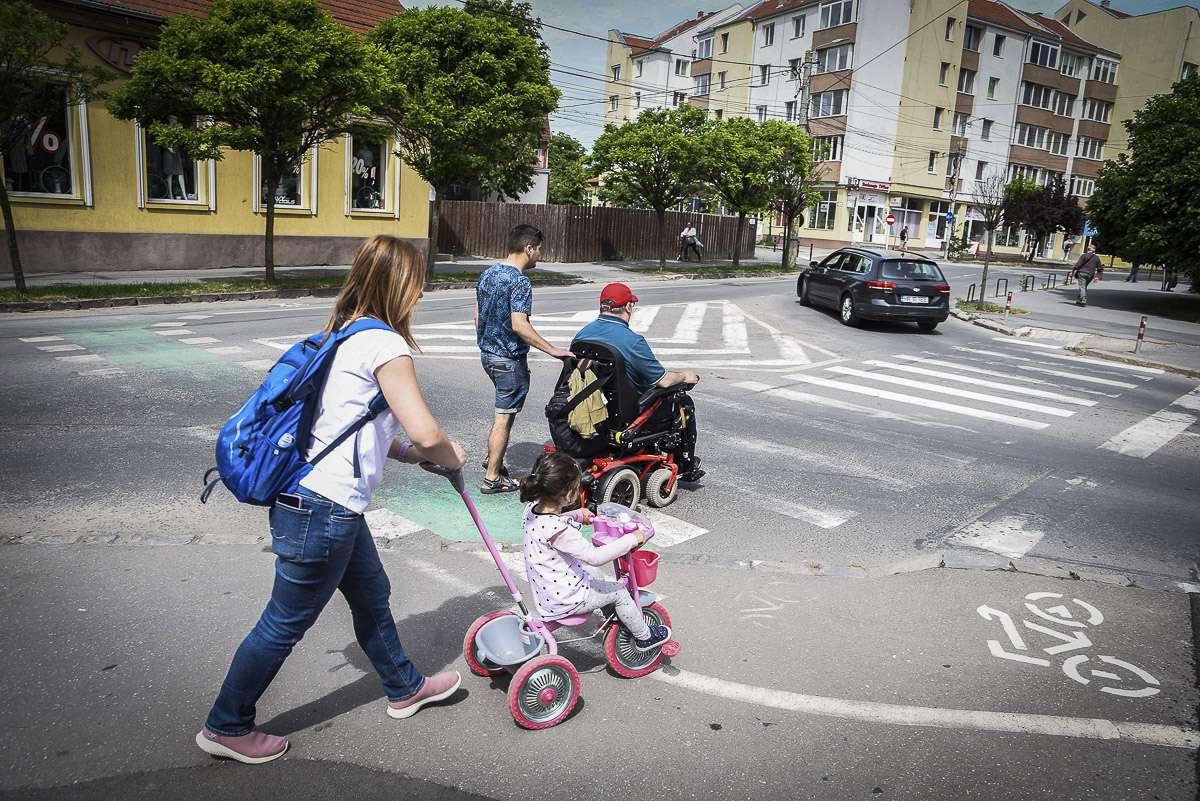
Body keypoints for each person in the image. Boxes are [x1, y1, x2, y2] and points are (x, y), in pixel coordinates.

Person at [196, 235, 468, 765]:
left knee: (371, 595)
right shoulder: (386, 344)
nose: (422, 291)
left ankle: (404, 687)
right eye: (418, 283)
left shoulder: (341, 335)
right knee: (283, 623)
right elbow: (426, 428)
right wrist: (447, 453)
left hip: (321, 502)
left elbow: (345, 428)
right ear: (402, 286)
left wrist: (413, 456)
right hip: (324, 509)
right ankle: (226, 725)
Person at [520, 451, 671, 651]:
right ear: (567, 495)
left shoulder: (532, 510)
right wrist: (629, 539)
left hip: (548, 592)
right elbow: (595, 556)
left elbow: (552, 520)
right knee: (618, 591)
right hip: (567, 600)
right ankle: (644, 637)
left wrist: (575, 515)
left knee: (594, 575)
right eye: (576, 488)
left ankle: (613, 615)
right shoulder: (561, 532)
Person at [475, 224, 573, 493]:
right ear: (528, 249)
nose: (539, 255)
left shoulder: (487, 274)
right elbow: (519, 324)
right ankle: (492, 478)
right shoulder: (520, 281)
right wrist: (552, 349)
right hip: (508, 360)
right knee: (503, 418)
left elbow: (477, 316)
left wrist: (489, 344)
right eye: (539, 250)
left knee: (502, 413)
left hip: (488, 356)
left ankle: (492, 459)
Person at [572, 283, 704, 482]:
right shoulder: (632, 342)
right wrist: (685, 376)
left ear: (603, 307)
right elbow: (664, 381)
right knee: (683, 403)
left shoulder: (581, 336)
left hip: (593, 408)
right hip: (631, 414)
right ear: (628, 307)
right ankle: (684, 464)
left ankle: (647, 454)